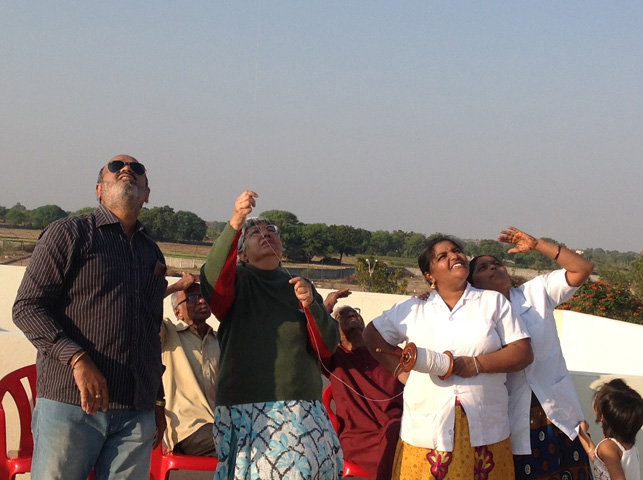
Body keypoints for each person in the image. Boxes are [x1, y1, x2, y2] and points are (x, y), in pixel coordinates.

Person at [12, 155, 167, 480]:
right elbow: (27, 307)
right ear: (99, 190)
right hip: (71, 402)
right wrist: (78, 359)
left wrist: (157, 400)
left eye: (137, 170)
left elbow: (150, 330)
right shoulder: (69, 234)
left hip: (135, 410)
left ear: (147, 193)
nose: (127, 170)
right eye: (116, 167)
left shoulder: (151, 251)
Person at [363, 235, 533, 480]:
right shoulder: (413, 309)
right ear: (428, 275)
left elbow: (523, 352)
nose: (454, 256)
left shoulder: (492, 302)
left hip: (486, 432)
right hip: (425, 433)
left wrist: (476, 364)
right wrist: (401, 372)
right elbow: (372, 334)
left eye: (457, 251)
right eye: (442, 256)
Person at [199, 190, 342, 479]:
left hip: (304, 408)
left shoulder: (301, 285)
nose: (265, 234)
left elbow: (326, 346)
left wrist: (310, 304)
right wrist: (237, 221)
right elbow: (212, 284)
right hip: (248, 406)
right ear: (241, 253)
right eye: (254, 232)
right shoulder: (237, 281)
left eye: (271, 231)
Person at [468, 226, 595, 480]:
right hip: (514, 423)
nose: (494, 267)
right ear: (472, 284)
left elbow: (582, 269)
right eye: (483, 268)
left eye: (496, 263)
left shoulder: (535, 292)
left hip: (561, 417)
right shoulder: (472, 318)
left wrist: (537, 244)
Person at [321, 300, 404, 480]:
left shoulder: (387, 353)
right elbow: (313, 337)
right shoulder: (334, 358)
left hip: (400, 429)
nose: (351, 314)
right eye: (343, 315)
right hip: (360, 438)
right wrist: (326, 306)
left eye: (355, 312)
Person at [161, 272, 219, 456]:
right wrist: (176, 287)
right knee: (240, 442)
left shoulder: (219, 341)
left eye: (203, 295)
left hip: (221, 425)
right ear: (177, 311)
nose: (202, 301)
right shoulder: (168, 334)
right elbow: (141, 305)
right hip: (187, 430)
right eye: (193, 297)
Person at [578, 378, 643, 480]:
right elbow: (598, 460)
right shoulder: (627, 444)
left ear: (601, 416)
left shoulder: (607, 447)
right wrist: (582, 434)